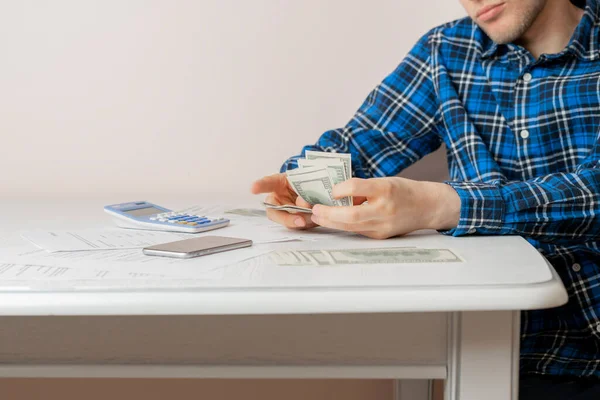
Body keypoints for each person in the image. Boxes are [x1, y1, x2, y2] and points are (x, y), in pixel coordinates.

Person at [251, 0, 600, 398]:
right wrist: (301, 185)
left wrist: (442, 204)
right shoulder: (447, 50)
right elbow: (358, 143)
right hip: (498, 353)